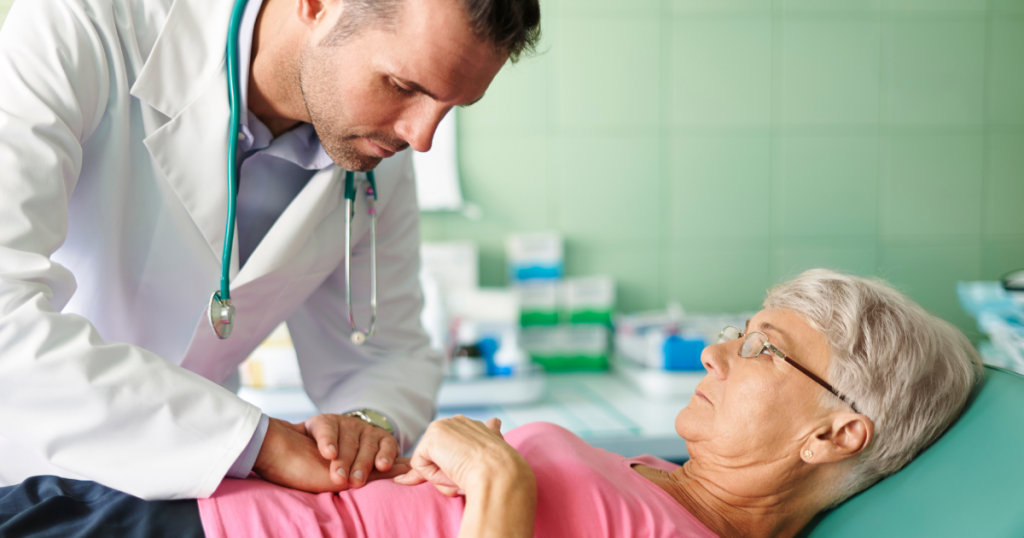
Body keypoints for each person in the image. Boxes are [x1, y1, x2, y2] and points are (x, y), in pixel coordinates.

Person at [0, 0, 540, 500]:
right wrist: (259, 442)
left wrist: (368, 427)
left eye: (451, 105)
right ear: (316, 5)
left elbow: (384, 352)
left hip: (191, 501)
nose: (421, 137)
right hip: (23, 471)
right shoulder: (82, 25)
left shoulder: (373, 152)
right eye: (403, 85)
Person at [0, 269, 983, 537]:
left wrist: (500, 484)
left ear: (834, 430)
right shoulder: (663, 483)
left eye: (763, 346)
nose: (722, 348)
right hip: (182, 498)